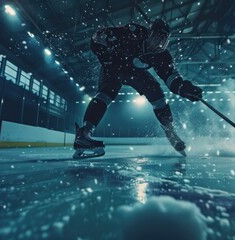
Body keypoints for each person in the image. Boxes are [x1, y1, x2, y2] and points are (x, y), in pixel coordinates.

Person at [73, 19, 203, 159]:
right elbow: (97, 39)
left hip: (134, 73)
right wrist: (106, 59)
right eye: (156, 37)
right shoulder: (131, 33)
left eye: (162, 39)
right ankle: (85, 133)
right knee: (105, 94)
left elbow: (171, 78)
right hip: (114, 66)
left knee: (157, 93)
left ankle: (170, 131)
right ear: (149, 33)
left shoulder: (162, 56)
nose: (158, 43)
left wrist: (184, 88)